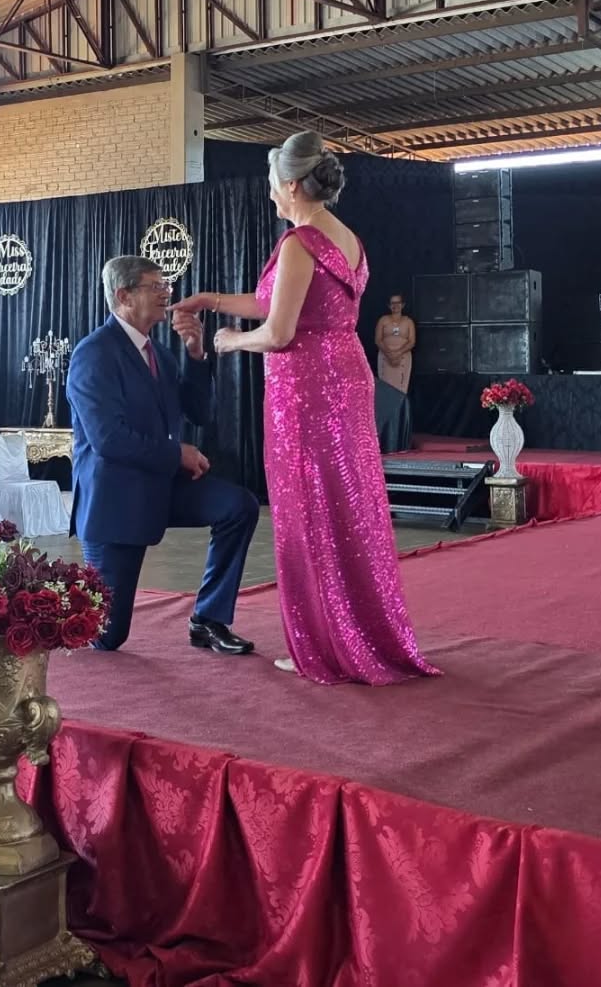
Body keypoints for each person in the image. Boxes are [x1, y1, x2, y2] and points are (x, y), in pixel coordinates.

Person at [171, 131, 441, 686]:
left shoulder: (299, 243)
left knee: (308, 513)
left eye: (273, 184)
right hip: (344, 379)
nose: (271, 193)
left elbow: (278, 330)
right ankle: (358, 632)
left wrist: (230, 341)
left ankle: (322, 645)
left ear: (292, 185)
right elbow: (277, 303)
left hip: (305, 391)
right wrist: (212, 300)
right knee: (349, 507)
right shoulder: (345, 238)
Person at [66, 255, 259, 656]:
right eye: (155, 287)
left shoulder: (160, 354)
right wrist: (177, 454)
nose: (166, 294)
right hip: (116, 501)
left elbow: (200, 413)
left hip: (161, 485)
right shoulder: (94, 354)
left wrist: (196, 353)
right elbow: (108, 439)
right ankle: (45, 606)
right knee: (106, 636)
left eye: (166, 286)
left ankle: (208, 619)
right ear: (123, 295)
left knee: (238, 506)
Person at [374, 294, 416, 394]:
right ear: (389, 306)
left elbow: (412, 341)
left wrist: (398, 353)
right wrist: (389, 354)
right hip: (385, 356)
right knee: (386, 389)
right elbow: (378, 340)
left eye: (398, 303)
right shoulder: (383, 320)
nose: (395, 305)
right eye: (392, 303)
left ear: (403, 305)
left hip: (403, 357)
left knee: (401, 389)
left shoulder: (409, 321)